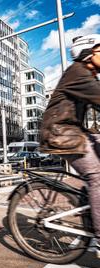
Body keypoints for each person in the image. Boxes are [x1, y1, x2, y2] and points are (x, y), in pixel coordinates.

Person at [39, 34, 100, 254]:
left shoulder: (87, 75)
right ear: (87, 53)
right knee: (96, 176)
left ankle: (90, 206)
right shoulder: (79, 73)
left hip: (73, 131)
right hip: (60, 133)